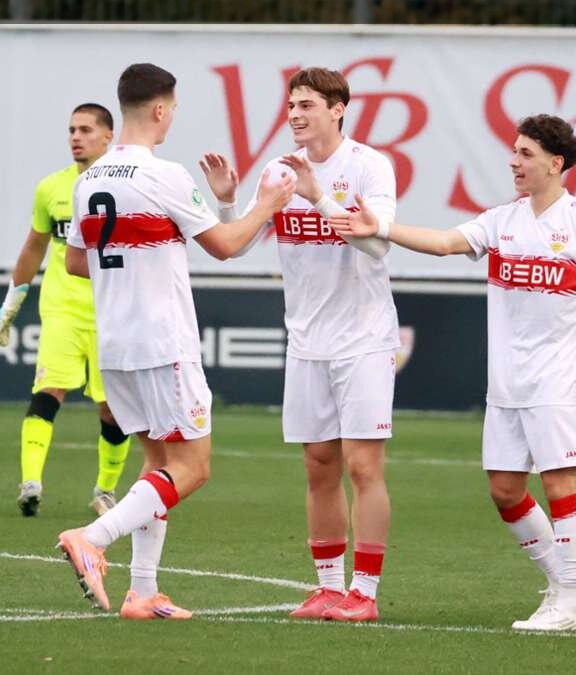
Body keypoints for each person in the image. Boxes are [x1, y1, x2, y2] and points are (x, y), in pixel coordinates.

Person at [330, 114, 576, 632]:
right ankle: (565, 579)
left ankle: (568, 605)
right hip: (507, 385)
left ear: (555, 163)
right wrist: (380, 227)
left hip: (558, 382)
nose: (513, 162)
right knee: (505, 490)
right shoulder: (503, 220)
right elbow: (445, 242)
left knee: (559, 482)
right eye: (514, 152)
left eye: (525, 154)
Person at [55, 63, 294, 620]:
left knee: (158, 462)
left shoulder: (88, 179)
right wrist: (267, 203)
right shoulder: (163, 174)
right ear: (160, 110)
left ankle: (142, 591)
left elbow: (74, 262)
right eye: (174, 109)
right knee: (193, 468)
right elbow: (226, 246)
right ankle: (92, 537)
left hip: (116, 345)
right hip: (163, 342)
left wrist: (135, 263)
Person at [199, 67, 397, 622]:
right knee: (318, 465)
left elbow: (379, 246)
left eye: (307, 105)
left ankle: (364, 594)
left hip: (363, 339)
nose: (295, 115)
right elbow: (237, 246)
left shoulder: (369, 166)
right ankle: (328, 589)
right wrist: (228, 204)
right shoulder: (277, 171)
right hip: (307, 340)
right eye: (291, 105)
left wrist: (321, 199)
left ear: (338, 108)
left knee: (363, 468)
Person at [0, 103, 150, 518]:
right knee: (48, 390)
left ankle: (105, 489)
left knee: (112, 408)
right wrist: (12, 301)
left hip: (111, 313)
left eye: (85, 130)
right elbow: (34, 246)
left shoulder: (127, 186)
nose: (76, 138)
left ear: (108, 136)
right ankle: (30, 483)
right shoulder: (51, 188)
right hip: (61, 309)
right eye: (71, 130)